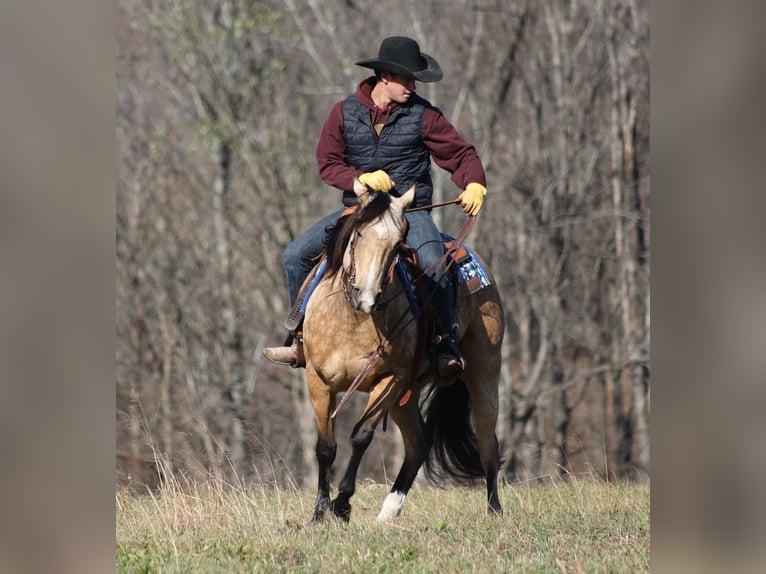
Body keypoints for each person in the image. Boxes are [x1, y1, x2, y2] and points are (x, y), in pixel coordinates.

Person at [263, 36, 487, 378]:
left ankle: (443, 344)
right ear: (385, 77)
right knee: (294, 256)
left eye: (414, 80)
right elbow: (328, 162)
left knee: (432, 262)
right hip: (360, 211)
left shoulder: (424, 116)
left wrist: (474, 182)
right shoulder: (343, 112)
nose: (412, 87)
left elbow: (460, 154)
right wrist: (358, 181)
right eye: (407, 79)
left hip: (410, 214)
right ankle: (300, 339)